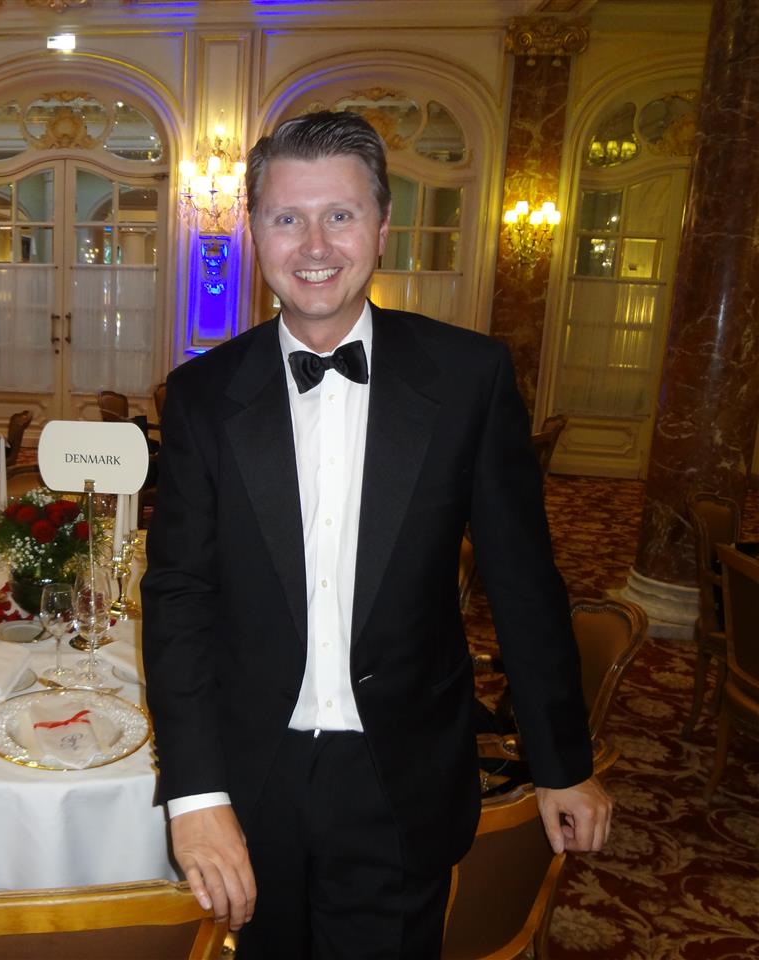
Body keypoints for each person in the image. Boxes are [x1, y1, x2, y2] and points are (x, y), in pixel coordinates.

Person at [140, 110, 612, 959]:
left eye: (341, 214)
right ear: (254, 232)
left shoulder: (468, 377)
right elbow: (179, 597)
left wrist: (561, 761)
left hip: (403, 771)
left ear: (383, 226)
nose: (314, 244)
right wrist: (196, 794)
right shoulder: (203, 396)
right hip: (251, 775)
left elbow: (522, 579)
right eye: (287, 217)